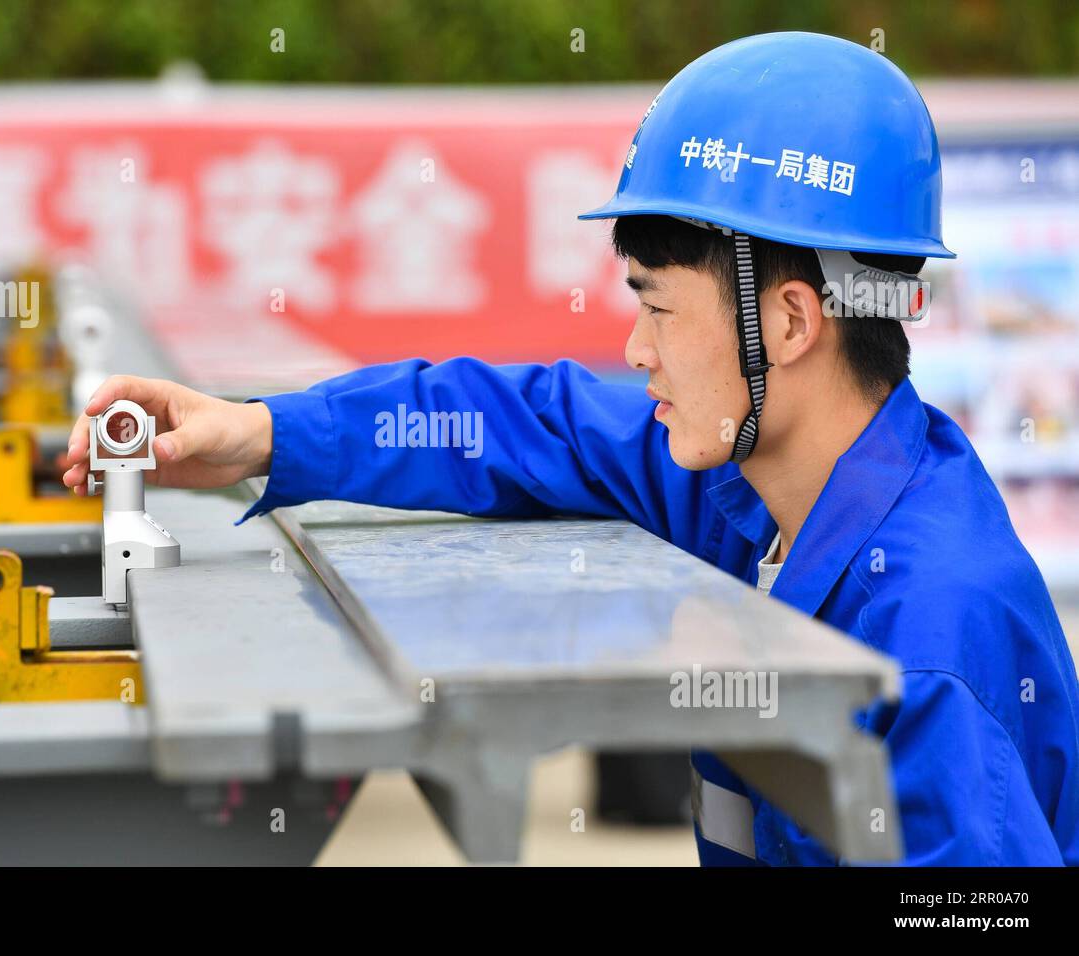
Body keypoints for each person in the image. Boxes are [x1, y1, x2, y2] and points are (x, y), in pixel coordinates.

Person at [62, 32, 1079, 865]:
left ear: (794, 320)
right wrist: (262, 432)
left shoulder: (929, 636)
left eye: (656, 306)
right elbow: (521, 420)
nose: (634, 350)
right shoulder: (753, 488)